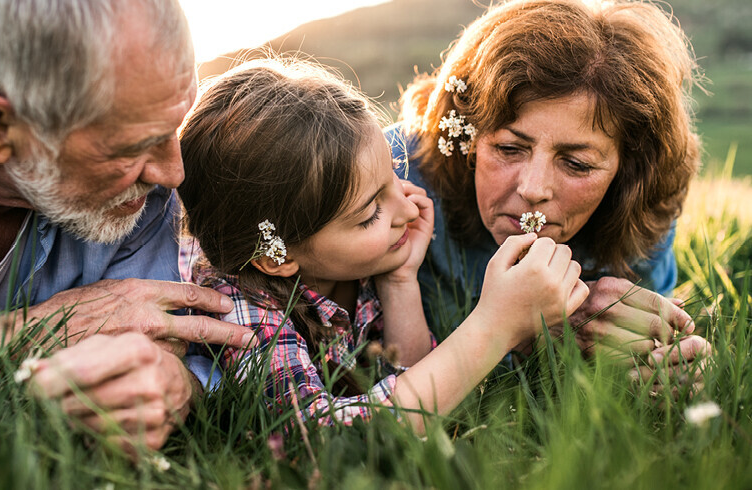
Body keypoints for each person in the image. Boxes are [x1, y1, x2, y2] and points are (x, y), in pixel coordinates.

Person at [0, 0, 255, 452]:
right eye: (132, 147)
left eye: (174, 127)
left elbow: (175, 354)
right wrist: (32, 336)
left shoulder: (141, 194)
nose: (173, 173)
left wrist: (176, 385)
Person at [176, 58, 588, 431]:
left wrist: (400, 281)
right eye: (370, 212)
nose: (408, 211)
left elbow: (425, 387)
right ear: (275, 256)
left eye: (394, 176)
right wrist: (495, 325)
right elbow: (321, 441)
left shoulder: (357, 262)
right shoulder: (243, 311)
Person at [389, 0, 711, 384]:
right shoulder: (395, 180)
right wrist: (540, 334)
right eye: (509, 149)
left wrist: (649, 364)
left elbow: (642, 362)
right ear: (469, 133)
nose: (533, 189)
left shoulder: (644, 207)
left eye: (576, 164)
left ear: (628, 171)